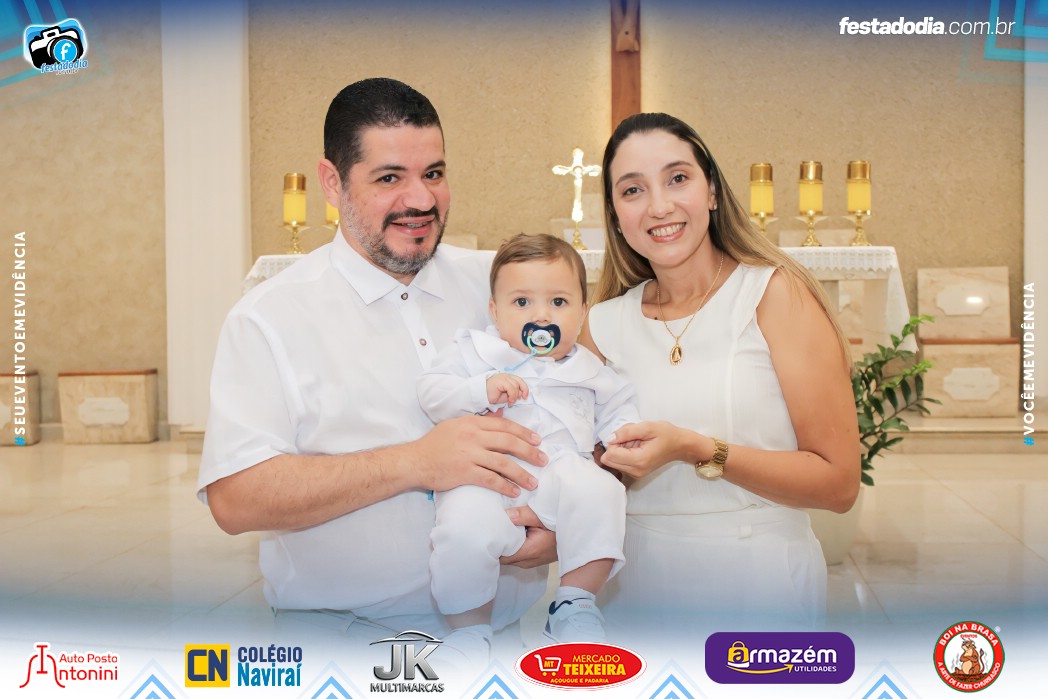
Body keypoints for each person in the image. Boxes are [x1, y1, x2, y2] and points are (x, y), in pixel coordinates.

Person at [196, 78, 555, 649]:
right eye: (389, 178)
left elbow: (575, 402)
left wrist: (559, 522)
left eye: (433, 173)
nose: (421, 200)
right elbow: (236, 499)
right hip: (345, 644)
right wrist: (416, 463)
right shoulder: (268, 317)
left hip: (498, 638)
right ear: (332, 183)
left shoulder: (501, 287)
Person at [580, 113, 860, 633]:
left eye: (677, 178)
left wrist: (697, 448)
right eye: (633, 190)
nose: (659, 206)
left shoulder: (775, 295)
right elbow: (583, 472)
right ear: (616, 215)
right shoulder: (600, 325)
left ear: (711, 190)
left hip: (759, 583)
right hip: (633, 585)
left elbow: (839, 485)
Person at [418, 233, 637, 648]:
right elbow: (431, 391)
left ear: (582, 312)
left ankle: (575, 603)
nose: (540, 314)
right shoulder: (476, 353)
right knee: (462, 528)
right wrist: (480, 389)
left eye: (559, 302)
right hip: (485, 475)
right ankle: (468, 631)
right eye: (521, 302)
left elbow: (619, 406)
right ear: (494, 311)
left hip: (560, 474)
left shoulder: (590, 369)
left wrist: (621, 435)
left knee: (603, 492)